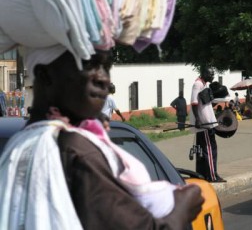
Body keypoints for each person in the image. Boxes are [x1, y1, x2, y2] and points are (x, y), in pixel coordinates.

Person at [0, 49, 203, 229]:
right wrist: (183, 207)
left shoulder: (23, 140)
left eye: (106, 67)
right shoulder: (77, 152)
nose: (103, 78)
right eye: (89, 64)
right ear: (45, 75)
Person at [190, 66, 226, 183]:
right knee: (209, 149)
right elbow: (194, 103)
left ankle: (202, 175)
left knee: (204, 149)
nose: (213, 76)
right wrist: (197, 120)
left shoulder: (204, 84)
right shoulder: (198, 85)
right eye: (210, 74)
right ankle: (212, 175)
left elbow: (205, 103)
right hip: (204, 123)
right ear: (204, 73)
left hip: (209, 121)